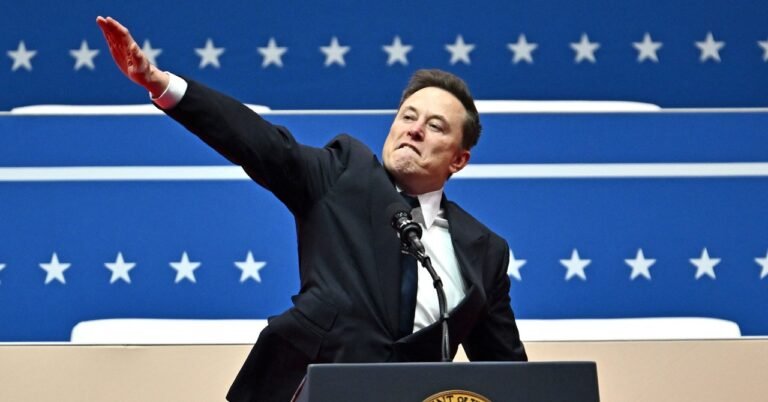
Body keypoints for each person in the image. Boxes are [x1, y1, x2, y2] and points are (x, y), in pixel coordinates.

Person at [97, 16, 527, 402]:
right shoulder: (343, 175)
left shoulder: (485, 252)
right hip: (307, 390)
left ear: (459, 159)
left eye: (434, 126)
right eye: (407, 116)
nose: (414, 130)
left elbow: (509, 375)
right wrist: (160, 83)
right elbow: (260, 142)